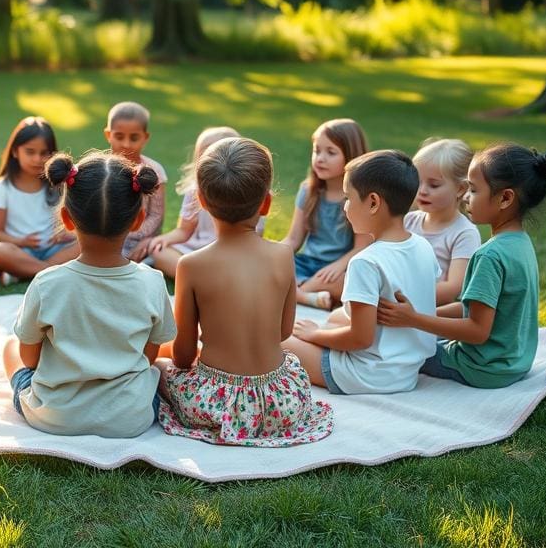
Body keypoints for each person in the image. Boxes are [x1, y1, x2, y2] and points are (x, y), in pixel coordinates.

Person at [155, 138, 334, 447]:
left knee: (156, 368)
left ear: (201, 201)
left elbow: (183, 357)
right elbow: (282, 332)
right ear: (265, 203)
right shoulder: (282, 255)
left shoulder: (192, 265)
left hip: (218, 407)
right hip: (282, 402)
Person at [2, 151, 176, 437]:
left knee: (11, 345)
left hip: (54, 416)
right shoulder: (153, 282)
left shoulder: (47, 283)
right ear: (138, 220)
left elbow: (30, 360)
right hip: (129, 418)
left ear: (67, 218)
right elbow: (148, 357)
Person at [378, 144, 546, 389]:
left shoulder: (489, 255)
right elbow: (478, 311)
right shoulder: (520, 243)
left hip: (480, 368)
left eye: (474, 190)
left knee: (393, 345)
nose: (466, 196)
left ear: (505, 198)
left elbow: (477, 331)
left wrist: (413, 319)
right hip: (513, 363)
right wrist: (422, 314)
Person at [285, 150, 439, 395]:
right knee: (335, 318)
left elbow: (360, 339)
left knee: (276, 341)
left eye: (348, 198)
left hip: (366, 375)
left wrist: (315, 335)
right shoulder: (423, 246)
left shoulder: (365, 262)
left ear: (373, 203)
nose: (345, 207)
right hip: (406, 372)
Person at [149, 126, 265, 279]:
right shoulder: (194, 191)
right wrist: (164, 239)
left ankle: (200, 278)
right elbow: (184, 230)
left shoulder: (248, 191)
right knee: (160, 253)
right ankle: (208, 278)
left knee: (248, 262)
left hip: (233, 251)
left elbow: (256, 233)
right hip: (196, 250)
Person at [281, 118, 370, 309]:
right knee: (269, 270)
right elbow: (293, 239)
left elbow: (362, 247)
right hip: (305, 264)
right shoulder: (308, 191)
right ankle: (307, 295)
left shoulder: (357, 198)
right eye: (316, 150)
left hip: (338, 269)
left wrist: (337, 266)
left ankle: (297, 293)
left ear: (351, 156)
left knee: (350, 282)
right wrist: (270, 257)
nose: (320, 158)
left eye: (331, 152)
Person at [0, 117, 79, 285]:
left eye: (44, 153)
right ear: (15, 151)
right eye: (30, 152)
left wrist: (66, 232)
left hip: (54, 250)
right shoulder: (1, 189)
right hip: (22, 251)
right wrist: (21, 241)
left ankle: (30, 272)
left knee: (84, 242)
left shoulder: (58, 185)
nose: (37, 159)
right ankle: (51, 271)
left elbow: (72, 221)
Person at [404, 138, 481, 305]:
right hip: (398, 303)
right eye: (418, 181)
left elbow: (454, 287)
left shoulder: (464, 233)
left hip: (436, 315)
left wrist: (406, 298)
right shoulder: (408, 221)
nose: (422, 191)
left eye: (434, 185)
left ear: (460, 189)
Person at [103, 101, 167, 261]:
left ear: (145, 137)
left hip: (140, 239)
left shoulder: (154, 170)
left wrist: (135, 235)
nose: (126, 144)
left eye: (134, 138)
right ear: (108, 135)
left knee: (156, 252)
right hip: (102, 236)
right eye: (119, 136)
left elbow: (156, 215)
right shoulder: (100, 168)